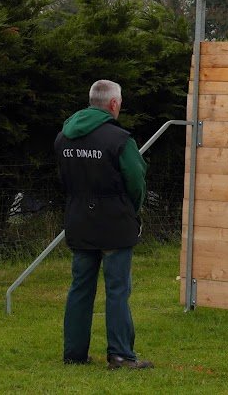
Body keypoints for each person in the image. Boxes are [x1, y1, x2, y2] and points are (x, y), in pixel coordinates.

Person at [54, 79, 152, 369]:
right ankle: (120, 355)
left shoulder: (63, 138)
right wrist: (130, 211)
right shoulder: (120, 140)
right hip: (114, 223)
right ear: (113, 104)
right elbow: (136, 181)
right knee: (117, 289)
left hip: (79, 219)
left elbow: (63, 180)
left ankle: (74, 353)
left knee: (80, 287)